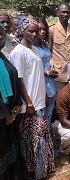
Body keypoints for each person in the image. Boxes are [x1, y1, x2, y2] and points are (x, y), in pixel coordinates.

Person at [9, 17, 55, 179]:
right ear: (22, 31)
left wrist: (43, 96)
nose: (35, 34)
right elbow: (19, 79)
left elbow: (37, 76)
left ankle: (40, 172)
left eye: (36, 31)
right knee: (31, 141)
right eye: (31, 31)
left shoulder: (34, 50)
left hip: (39, 101)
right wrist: (28, 102)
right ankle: (31, 173)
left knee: (41, 138)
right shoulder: (18, 52)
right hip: (29, 104)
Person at [0, 22, 24, 180]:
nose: (0, 37)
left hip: (9, 113)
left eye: (2, 34)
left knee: (10, 149)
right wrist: (5, 113)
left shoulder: (2, 56)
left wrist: (17, 103)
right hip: (2, 115)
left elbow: (13, 77)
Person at [49, 3, 70, 90]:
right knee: (60, 98)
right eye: (63, 12)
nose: (65, 14)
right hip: (59, 72)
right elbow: (49, 51)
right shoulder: (52, 29)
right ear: (58, 13)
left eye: (68, 12)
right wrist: (50, 68)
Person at [33, 17, 59, 127]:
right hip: (40, 85)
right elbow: (32, 70)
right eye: (40, 29)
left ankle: (47, 141)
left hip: (50, 85)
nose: (42, 32)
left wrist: (52, 70)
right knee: (40, 118)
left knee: (48, 116)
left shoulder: (44, 45)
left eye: (44, 29)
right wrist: (46, 73)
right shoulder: (31, 47)